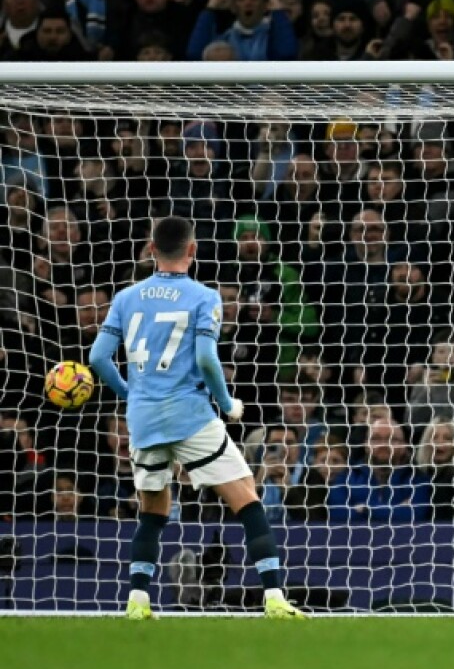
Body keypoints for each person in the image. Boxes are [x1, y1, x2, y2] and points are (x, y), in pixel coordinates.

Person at [87, 215, 305, 620]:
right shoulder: (205, 297)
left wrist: (130, 394)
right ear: (193, 250)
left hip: (144, 421)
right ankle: (274, 597)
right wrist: (226, 402)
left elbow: (97, 358)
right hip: (190, 416)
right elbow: (206, 358)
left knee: (152, 512)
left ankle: (137, 601)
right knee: (247, 501)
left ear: (152, 251)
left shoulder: (126, 298)